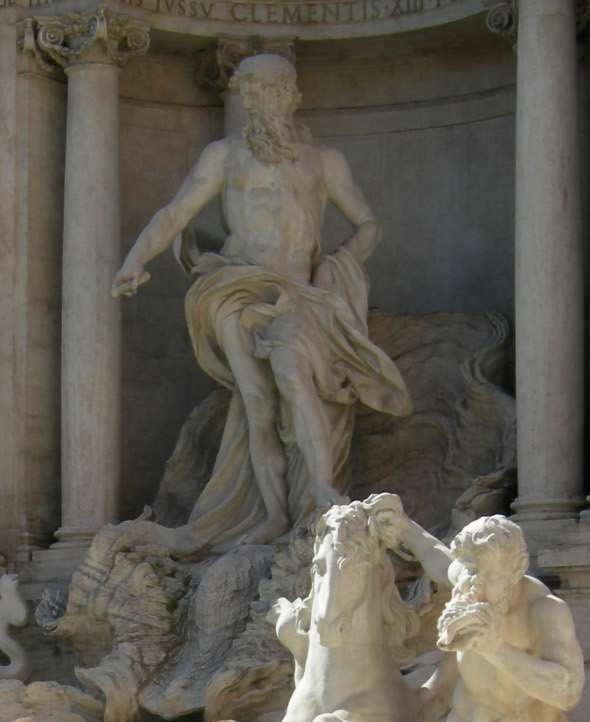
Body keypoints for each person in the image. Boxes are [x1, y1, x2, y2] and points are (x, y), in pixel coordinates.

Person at [110, 53, 410, 553]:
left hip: (298, 291)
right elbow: (175, 213)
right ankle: (272, 514)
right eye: (250, 92)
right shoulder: (223, 156)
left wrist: (336, 265)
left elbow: (368, 223)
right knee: (256, 401)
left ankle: (321, 490)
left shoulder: (324, 162)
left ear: (291, 96)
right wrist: (135, 259)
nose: (257, 100)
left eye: (269, 90)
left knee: (292, 371)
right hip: (235, 285)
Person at [373, 508, 583, 722]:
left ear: (515, 571)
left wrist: (497, 650)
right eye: (471, 571)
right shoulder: (466, 578)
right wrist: (404, 527)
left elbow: (568, 692)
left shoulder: (545, 611)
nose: (476, 585)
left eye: (489, 576)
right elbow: (436, 557)